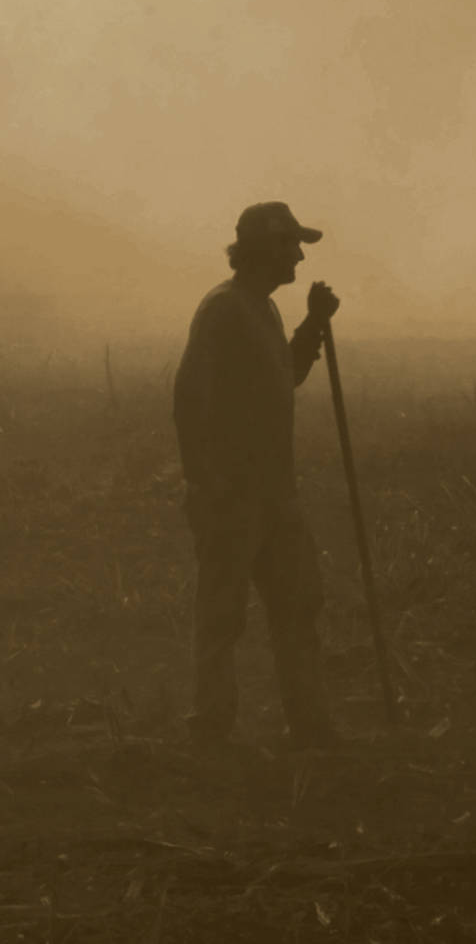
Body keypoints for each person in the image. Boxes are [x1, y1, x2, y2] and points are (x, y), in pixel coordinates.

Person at [171, 202, 344, 750]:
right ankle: (211, 729)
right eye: (291, 245)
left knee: (299, 606)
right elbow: (189, 395)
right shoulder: (223, 309)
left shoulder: (263, 311)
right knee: (222, 615)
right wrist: (206, 480)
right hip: (233, 497)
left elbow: (283, 376)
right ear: (265, 250)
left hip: (275, 496)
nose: (298, 255)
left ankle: (311, 725)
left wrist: (314, 324)